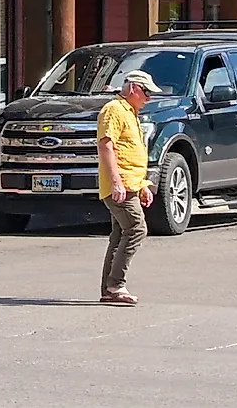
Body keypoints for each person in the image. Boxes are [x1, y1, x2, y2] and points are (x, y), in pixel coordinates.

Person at [96, 68, 155, 306]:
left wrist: (142, 185)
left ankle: (109, 289)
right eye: (147, 92)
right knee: (136, 229)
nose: (149, 98)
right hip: (120, 185)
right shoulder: (114, 110)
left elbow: (131, 152)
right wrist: (116, 182)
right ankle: (116, 284)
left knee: (120, 233)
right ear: (133, 88)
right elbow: (106, 146)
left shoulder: (131, 112)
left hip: (130, 183)